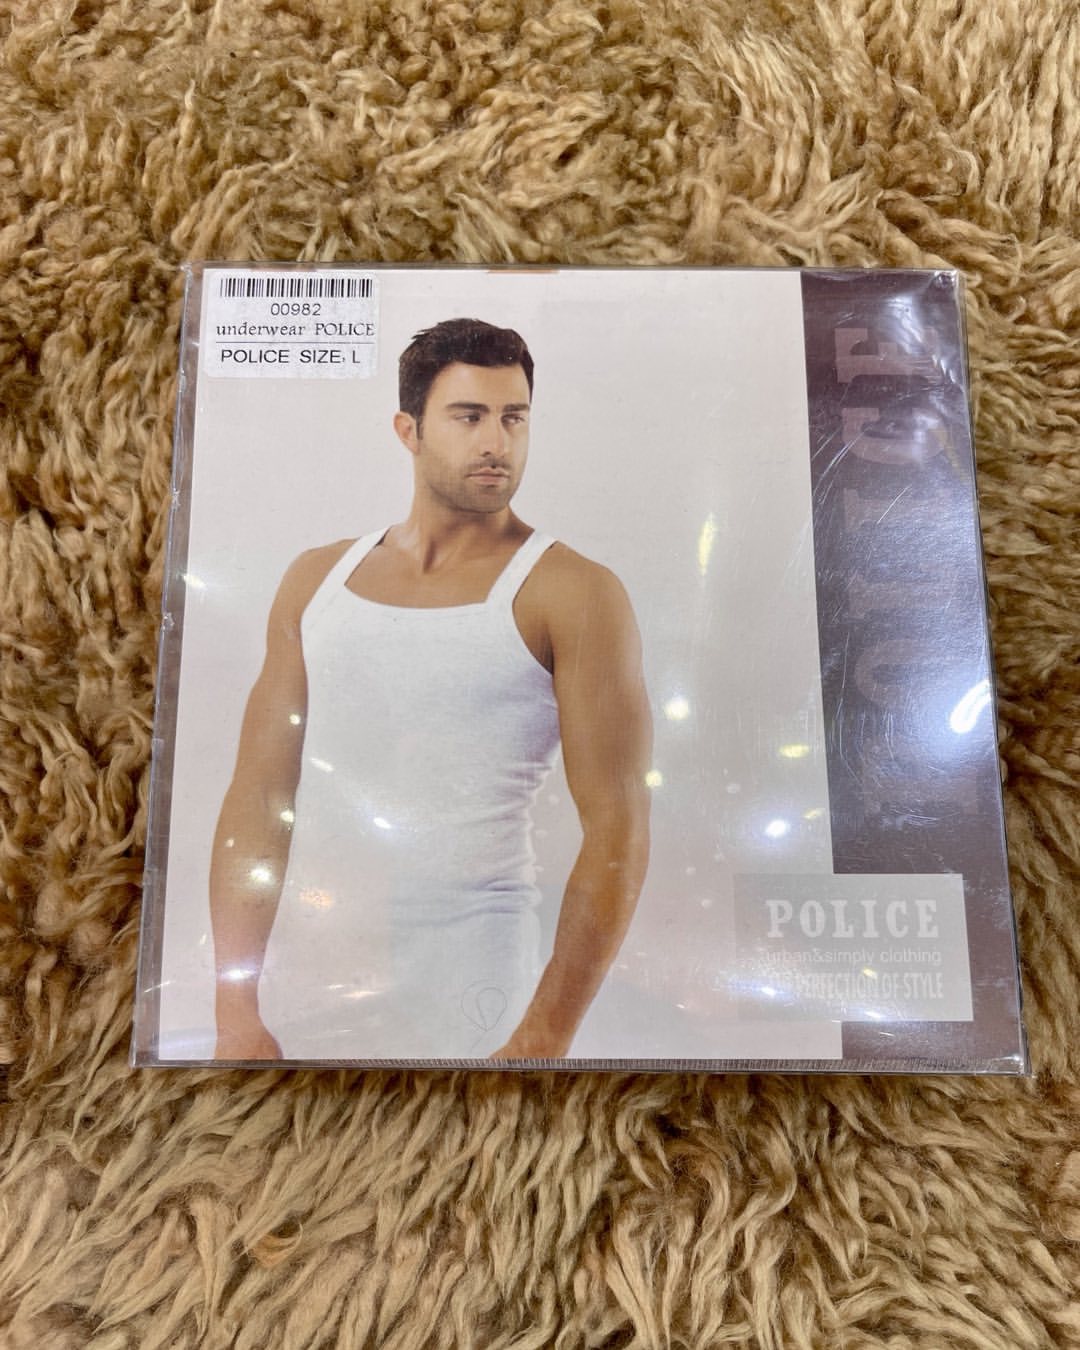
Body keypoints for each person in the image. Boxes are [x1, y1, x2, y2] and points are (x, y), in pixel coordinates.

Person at [210, 318, 652, 1061]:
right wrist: (233, 1009)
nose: (496, 443)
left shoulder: (574, 592)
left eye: (514, 418)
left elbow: (618, 827)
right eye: (469, 417)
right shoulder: (317, 580)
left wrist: (543, 1037)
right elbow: (259, 798)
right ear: (408, 430)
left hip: (478, 986)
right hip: (306, 980)